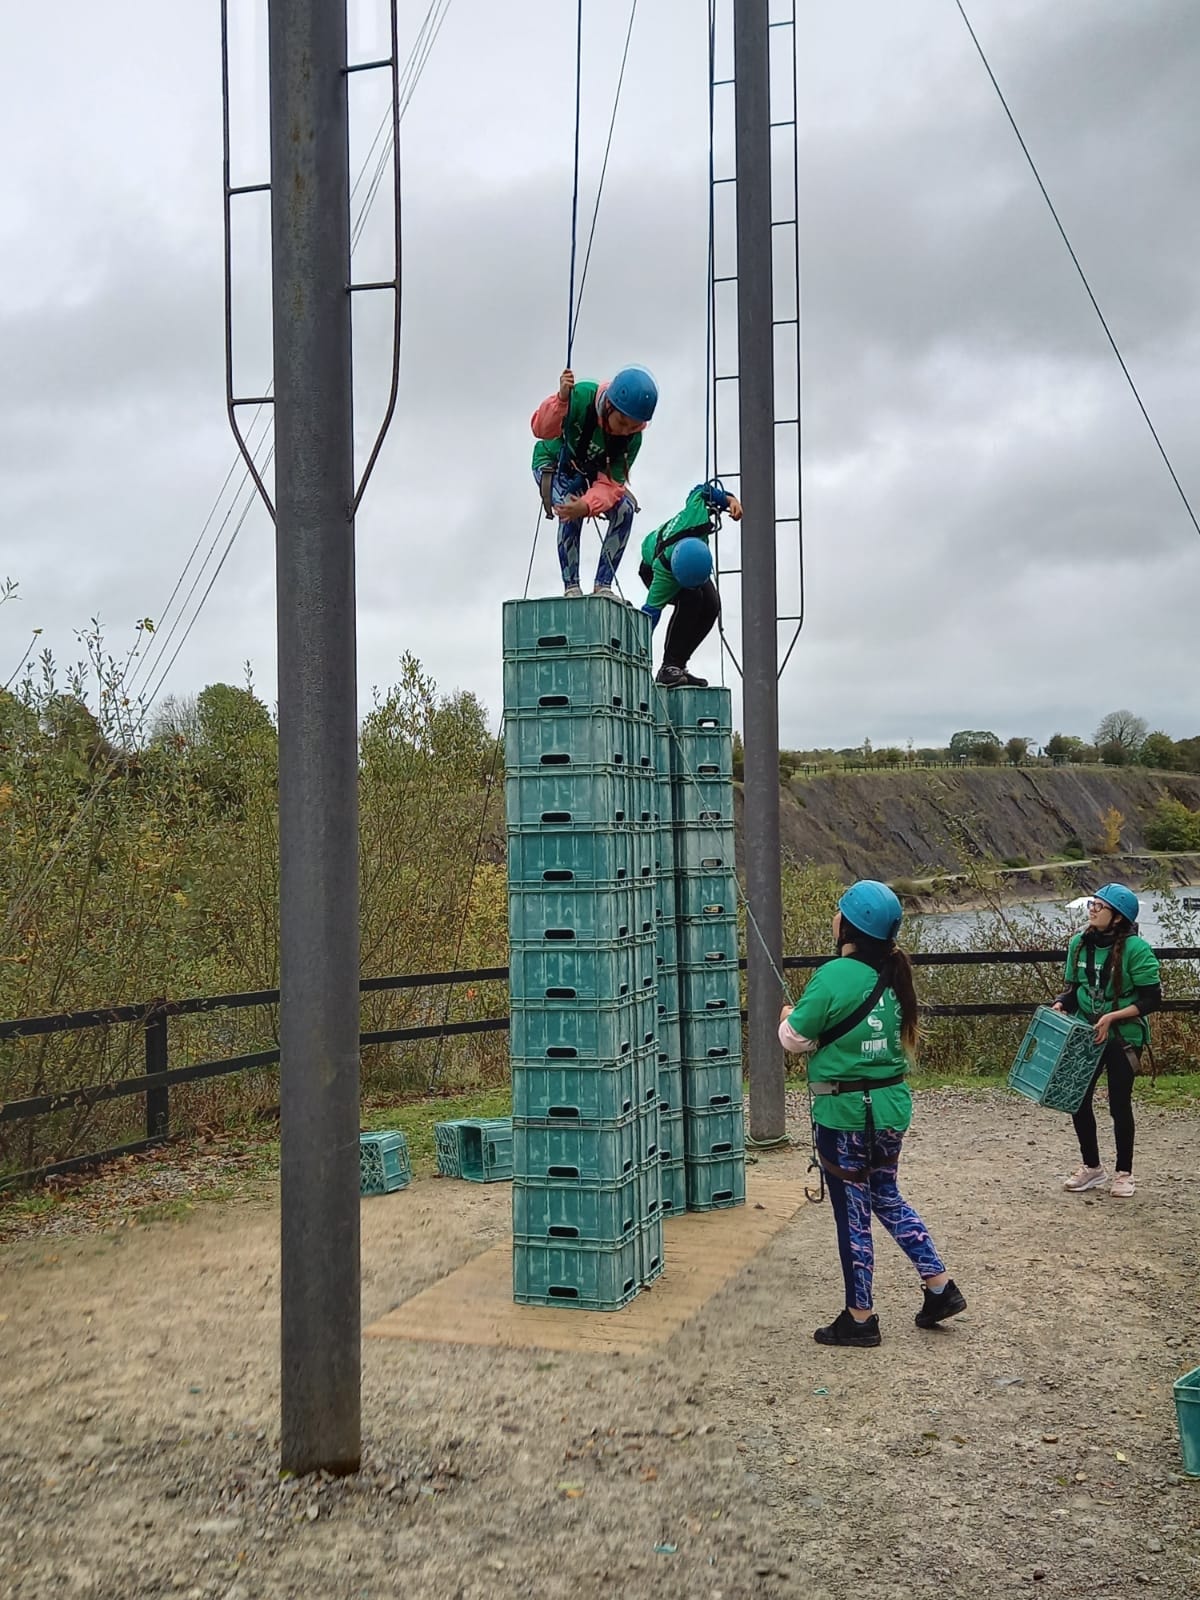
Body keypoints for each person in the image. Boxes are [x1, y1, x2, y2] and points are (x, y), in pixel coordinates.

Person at [778, 880, 966, 1347]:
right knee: (885, 1193)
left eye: (839, 912)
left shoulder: (834, 975)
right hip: (889, 1109)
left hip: (846, 1113)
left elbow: (793, 1039)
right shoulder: (895, 972)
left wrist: (787, 1016)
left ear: (851, 925)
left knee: (853, 1214)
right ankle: (938, 1286)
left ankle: (860, 1317)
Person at [1054, 883, 1161, 1198]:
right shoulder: (1079, 944)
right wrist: (1062, 1003)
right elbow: (1075, 990)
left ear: (1117, 917)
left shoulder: (1136, 950)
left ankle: (1124, 1173)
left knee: (1118, 1103)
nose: (1093, 909)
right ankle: (1092, 1168)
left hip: (1122, 1036)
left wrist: (1113, 1017)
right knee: (1077, 1099)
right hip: (1086, 1032)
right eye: (1093, 903)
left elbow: (1151, 998)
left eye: (1100, 906)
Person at [530, 366, 658, 597]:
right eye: (622, 422)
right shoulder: (581, 397)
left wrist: (588, 505)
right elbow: (540, 429)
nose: (624, 431)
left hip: (592, 474)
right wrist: (561, 401)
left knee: (624, 510)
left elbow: (611, 484)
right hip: (554, 462)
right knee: (570, 506)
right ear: (609, 405)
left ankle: (603, 585)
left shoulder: (632, 439)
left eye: (634, 426)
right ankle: (572, 587)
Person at [640, 480, 742, 687]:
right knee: (692, 599)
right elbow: (650, 613)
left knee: (712, 605)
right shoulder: (664, 575)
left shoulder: (696, 517)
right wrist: (637, 652)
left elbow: (701, 490)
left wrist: (729, 500)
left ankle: (678, 663)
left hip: (688, 557)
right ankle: (668, 668)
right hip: (652, 565)